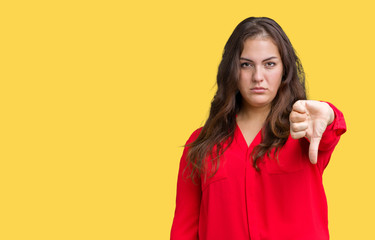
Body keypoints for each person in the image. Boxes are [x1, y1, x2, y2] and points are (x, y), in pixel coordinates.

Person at [170, 17, 346, 240]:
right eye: (246, 64)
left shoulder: (304, 130)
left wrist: (329, 113)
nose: (258, 77)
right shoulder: (202, 143)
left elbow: (329, 130)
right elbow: (183, 231)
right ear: (232, 70)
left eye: (269, 64)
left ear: (284, 69)